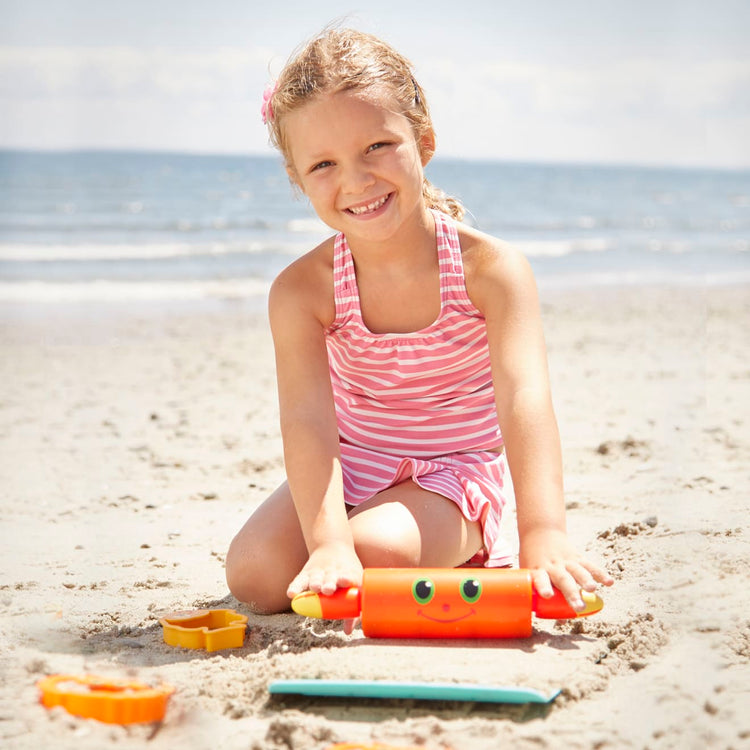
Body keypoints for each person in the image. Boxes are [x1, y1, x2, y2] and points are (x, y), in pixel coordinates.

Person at [225, 27, 612, 623]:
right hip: (355, 463)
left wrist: (545, 532)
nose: (355, 180)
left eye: (376, 147)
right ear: (299, 179)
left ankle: (471, 542)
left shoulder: (492, 270)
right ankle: (362, 535)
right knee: (253, 574)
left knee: (376, 551)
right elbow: (307, 419)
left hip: (454, 472)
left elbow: (524, 398)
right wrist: (327, 542)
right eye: (323, 163)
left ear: (422, 141)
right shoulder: (302, 290)